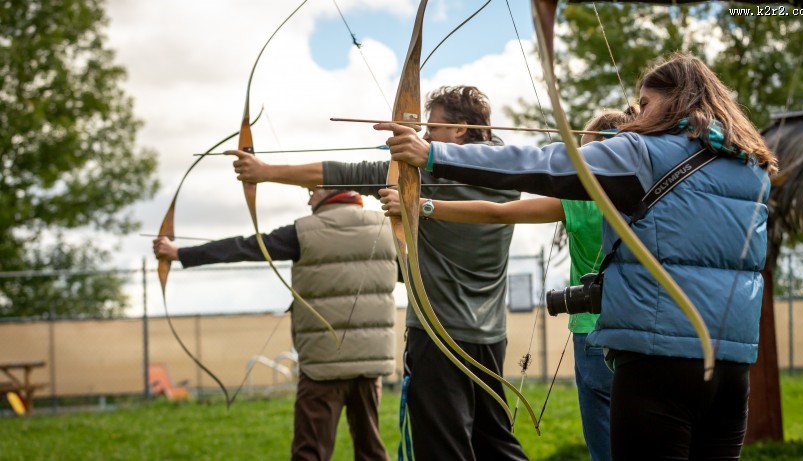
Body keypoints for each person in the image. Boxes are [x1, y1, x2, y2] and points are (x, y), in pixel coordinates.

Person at [379, 54, 776, 461]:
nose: (636, 114)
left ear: (673, 102)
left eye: (645, 103)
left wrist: (433, 154)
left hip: (658, 363)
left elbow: (541, 163)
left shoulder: (640, 153)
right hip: (730, 367)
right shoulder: (751, 164)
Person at [228, 86, 528, 460]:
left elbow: (344, 172)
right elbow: (346, 172)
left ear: (461, 130)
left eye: (431, 128)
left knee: (443, 448)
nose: (423, 137)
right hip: (491, 336)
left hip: (439, 337)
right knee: (496, 442)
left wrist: (264, 171)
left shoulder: (424, 179)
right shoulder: (511, 172)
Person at [379, 107, 637, 461]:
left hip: (594, 334)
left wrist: (420, 205)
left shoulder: (583, 201)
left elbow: (496, 214)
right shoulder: (655, 196)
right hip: (644, 334)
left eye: (587, 153)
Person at [153, 187, 396, 461]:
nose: (308, 199)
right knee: (371, 451)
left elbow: (244, 247)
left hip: (322, 365)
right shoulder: (386, 229)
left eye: (313, 191)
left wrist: (179, 253)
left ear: (331, 189)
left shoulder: (304, 231)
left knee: (310, 453)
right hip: (370, 364)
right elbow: (407, 273)